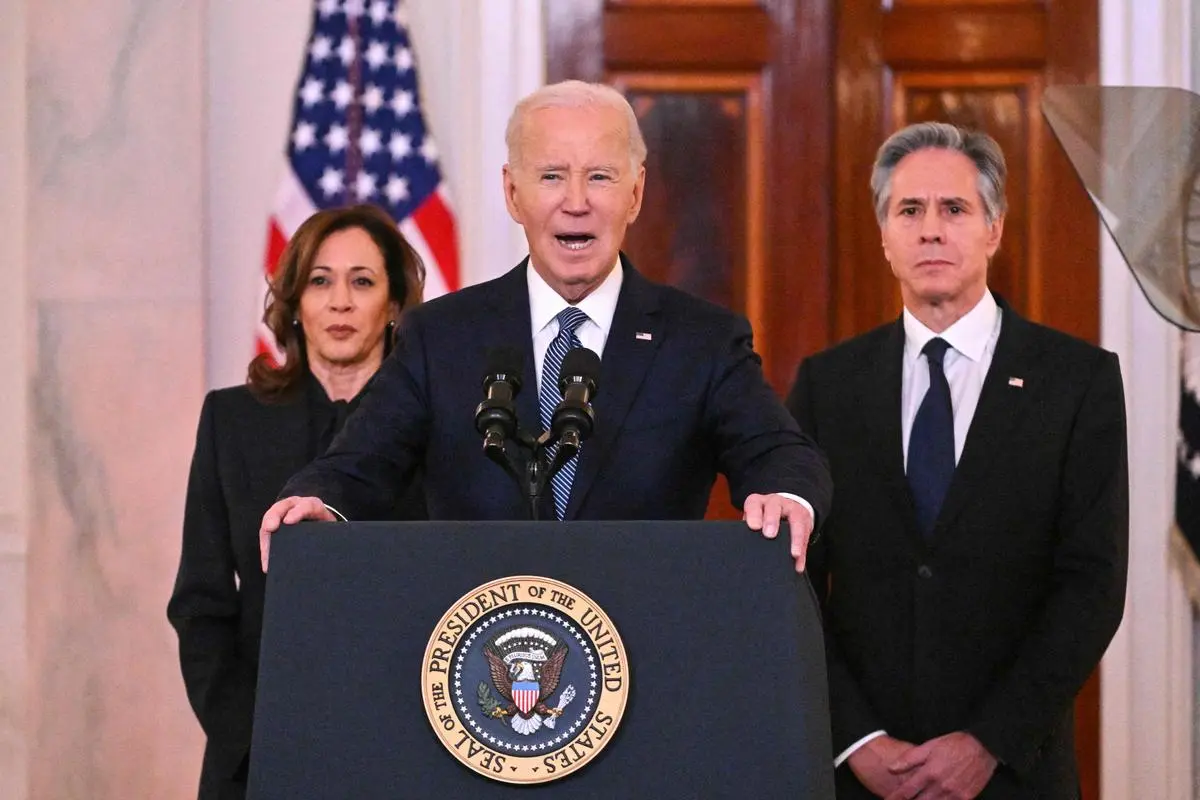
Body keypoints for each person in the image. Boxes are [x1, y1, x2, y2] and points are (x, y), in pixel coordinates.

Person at [258, 79, 832, 573]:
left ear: (636, 193)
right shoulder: (441, 337)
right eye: (552, 176)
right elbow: (360, 465)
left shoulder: (701, 340)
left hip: (645, 655)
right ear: (513, 192)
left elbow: (780, 453)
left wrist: (785, 496)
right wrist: (320, 501)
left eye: (601, 177)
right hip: (477, 661)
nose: (575, 202)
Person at [787, 122, 1128, 799]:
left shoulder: (1076, 381)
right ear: (884, 235)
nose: (931, 230)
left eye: (954, 209)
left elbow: (1091, 586)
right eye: (909, 210)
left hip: (1013, 773)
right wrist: (854, 739)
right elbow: (792, 581)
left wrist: (988, 743)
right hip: (860, 776)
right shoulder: (827, 386)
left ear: (994, 228)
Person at [167, 204, 426, 800]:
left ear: (392, 307)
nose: (340, 301)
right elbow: (200, 605)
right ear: (294, 302)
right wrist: (255, 741)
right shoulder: (232, 422)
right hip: (257, 757)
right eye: (320, 280)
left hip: (406, 751)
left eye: (362, 282)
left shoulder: (436, 430)